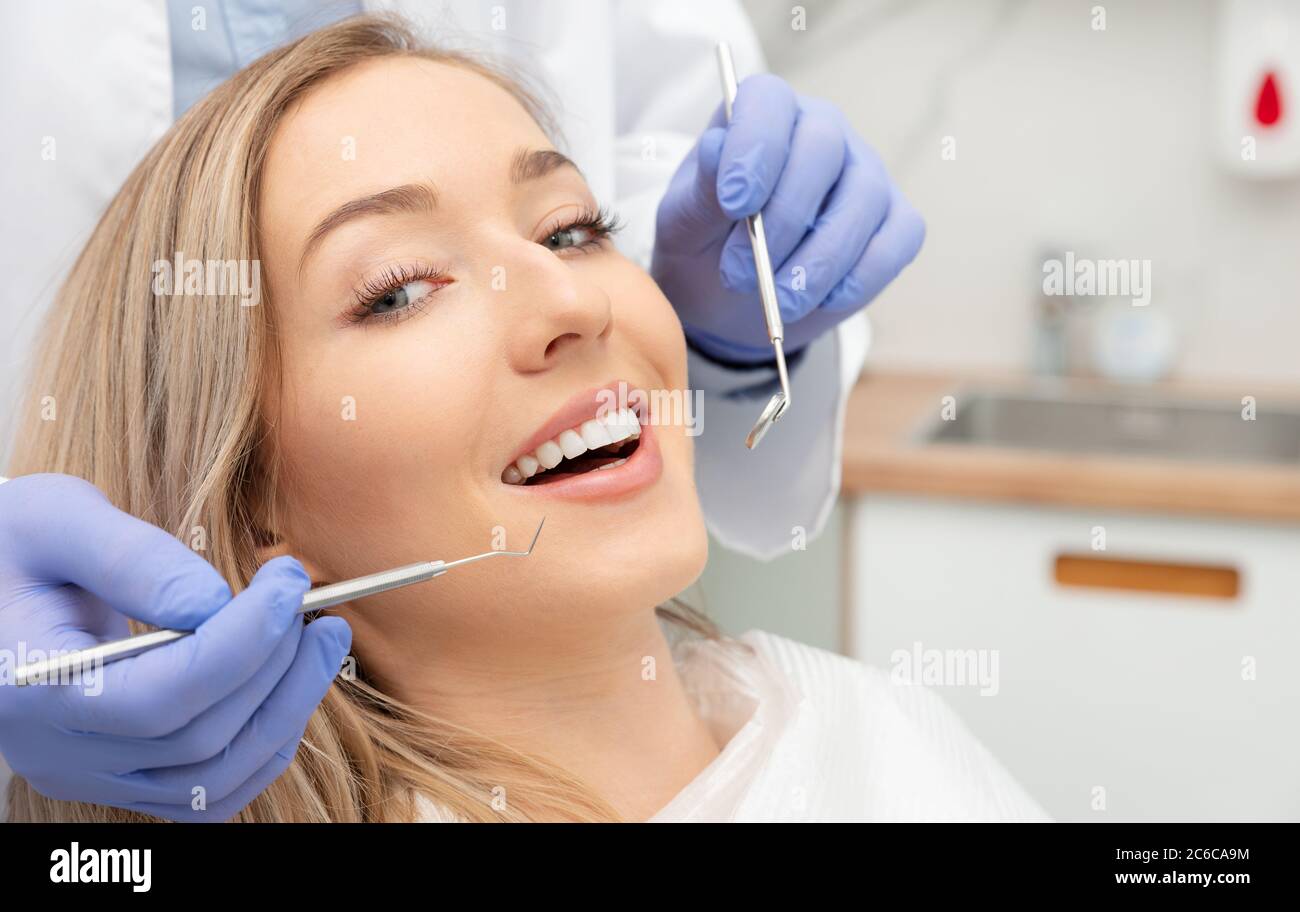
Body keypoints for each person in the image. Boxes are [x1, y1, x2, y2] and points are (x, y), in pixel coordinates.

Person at [1, 16, 1042, 822]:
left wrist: (737, 342)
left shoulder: (891, 739)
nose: (572, 298)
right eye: (400, 290)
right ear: (249, 500)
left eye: (576, 229)